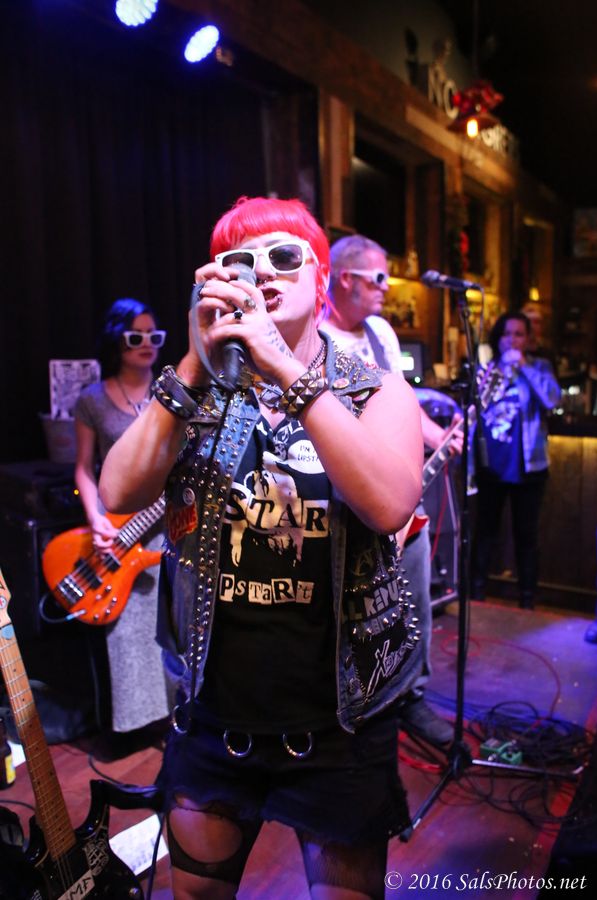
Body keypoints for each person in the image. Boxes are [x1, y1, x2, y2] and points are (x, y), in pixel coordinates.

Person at [99, 196, 423, 900]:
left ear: (320, 277)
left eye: (283, 257)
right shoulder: (199, 392)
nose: (263, 273)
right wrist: (193, 360)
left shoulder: (375, 391)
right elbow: (119, 490)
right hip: (216, 715)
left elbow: (390, 502)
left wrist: (285, 368)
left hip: (339, 725)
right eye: (240, 261)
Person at [323, 233, 456, 748]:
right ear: (346, 279)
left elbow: (400, 401)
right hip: (345, 493)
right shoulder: (315, 335)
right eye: (379, 277)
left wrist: (438, 437)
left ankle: (411, 696)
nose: (386, 287)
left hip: (398, 490)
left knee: (413, 595)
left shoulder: (381, 333)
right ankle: (352, 698)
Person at [74, 298, 170, 739]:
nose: (147, 344)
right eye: (136, 337)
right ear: (117, 341)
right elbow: (83, 468)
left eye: (154, 336)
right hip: (120, 531)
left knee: (176, 622)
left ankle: (181, 720)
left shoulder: (172, 389)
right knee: (129, 632)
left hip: (170, 525)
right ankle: (141, 726)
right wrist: (96, 518)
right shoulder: (92, 399)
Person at [471, 311, 561, 609]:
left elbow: (552, 399)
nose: (512, 340)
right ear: (498, 338)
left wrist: (523, 367)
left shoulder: (540, 366)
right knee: (485, 531)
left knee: (527, 535)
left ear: (528, 339)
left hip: (529, 465)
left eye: (519, 334)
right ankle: (476, 593)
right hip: (491, 464)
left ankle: (527, 600)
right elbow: (476, 409)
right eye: (507, 334)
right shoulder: (488, 368)